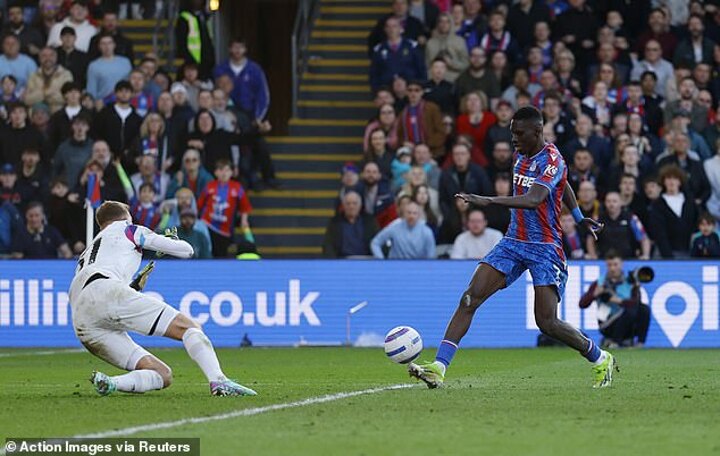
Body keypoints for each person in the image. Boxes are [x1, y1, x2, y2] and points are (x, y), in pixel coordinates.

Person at [408, 106, 614, 390]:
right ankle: (439, 368)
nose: (513, 140)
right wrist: (579, 217)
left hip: (545, 248)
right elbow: (563, 184)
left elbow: (535, 198)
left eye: (519, 134)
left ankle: (600, 357)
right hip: (512, 242)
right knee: (470, 298)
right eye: (511, 133)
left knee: (547, 322)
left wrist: (489, 201)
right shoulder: (521, 155)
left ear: (537, 132)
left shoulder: (552, 160)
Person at [70, 200, 255, 396]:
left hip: (82, 319)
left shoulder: (89, 251)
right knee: (189, 327)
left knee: (162, 374)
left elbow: (94, 295)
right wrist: (172, 241)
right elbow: (187, 251)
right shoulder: (128, 229)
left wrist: (130, 288)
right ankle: (219, 381)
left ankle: (111, 382)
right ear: (125, 216)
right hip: (107, 291)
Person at [579, 251, 651, 348]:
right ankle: (615, 342)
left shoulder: (630, 282)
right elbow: (582, 304)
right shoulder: (600, 283)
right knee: (629, 311)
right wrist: (594, 294)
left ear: (622, 264)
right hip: (607, 324)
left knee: (644, 309)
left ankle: (640, 343)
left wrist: (616, 300)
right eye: (609, 265)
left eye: (615, 265)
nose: (612, 268)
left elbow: (636, 303)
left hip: (628, 324)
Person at [197, 159, 252, 258]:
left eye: (227, 170)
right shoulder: (209, 186)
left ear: (232, 172)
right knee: (206, 253)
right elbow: (199, 206)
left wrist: (244, 220)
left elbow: (245, 206)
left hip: (224, 230)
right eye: (221, 170)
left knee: (220, 256)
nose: (224, 173)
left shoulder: (237, 187)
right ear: (216, 172)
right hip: (207, 225)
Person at [369, 17, 427, 92]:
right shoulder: (379, 49)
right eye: (388, 26)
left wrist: (420, 87)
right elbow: (374, 74)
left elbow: (421, 69)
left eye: (394, 26)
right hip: (387, 91)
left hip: (410, 90)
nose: (391, 29)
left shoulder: (412, 46)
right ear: (385, 29)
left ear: (401, 29)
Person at [588, 192, 651, 260]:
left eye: (614, 201)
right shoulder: (599, 219)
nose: (611, 204)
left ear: (621, 202)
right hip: (605, 260)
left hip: (629, 259)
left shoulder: (631, 218)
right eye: (608, 201)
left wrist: (646, 255)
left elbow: (643, 238)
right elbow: (590, 238)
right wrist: (592, 255)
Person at [396, 80, 445, 157]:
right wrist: (404, 143)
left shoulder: (432, 108)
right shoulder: (403, 112)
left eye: (417, 90)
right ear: (406, 92)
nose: (413, 93)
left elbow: (441, 132)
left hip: (431, 152)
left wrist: (424, 145)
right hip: (410, 152)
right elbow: (399, 135)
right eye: (410, 90)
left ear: (422, 92)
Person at [370, 200, 435, 259]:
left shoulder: (427, 232)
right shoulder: (395, 226)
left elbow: (431, 256)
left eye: (414, 213)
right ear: (404, 214)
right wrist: (381, 261)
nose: (411, 216)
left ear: (419, 215)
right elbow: (375, 242)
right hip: (395, 268)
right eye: (409, 213)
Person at [322, 191, 379, 258]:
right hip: (342, 261)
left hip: (367, 261)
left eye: (355, 203)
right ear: (343, 206)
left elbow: (378, 242)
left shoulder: (370, 221)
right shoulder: (334, 222)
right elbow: (328, 245)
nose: (351, 206)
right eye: (348, 204)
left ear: (360, 205)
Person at [23, 46, 73, 114]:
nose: (48, 58)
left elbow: (67, 98)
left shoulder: (66, 75)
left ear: (56, 57)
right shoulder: (33, 76)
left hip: (58, 114)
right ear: (39, 59)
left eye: (51, 55)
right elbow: (27, 99)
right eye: (44, 56)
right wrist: (48, 93)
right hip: (36, 115)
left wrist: (41, 95)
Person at [86, 34, 132, 104]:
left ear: (114, 45)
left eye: (109, 43)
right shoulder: (93, 66)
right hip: (103, 103)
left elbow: (130, 83)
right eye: (103, 44)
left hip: (124, 102)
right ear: (99, 46)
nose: (107, 46)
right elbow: (91, 89)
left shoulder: (125, 62)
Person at [175, 0, 215, 81]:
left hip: (206, 62)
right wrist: (189, 60)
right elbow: (181, 43)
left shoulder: (204, 17)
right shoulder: (184, 18)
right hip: (192, 62)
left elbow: (208, 40)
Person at [424, 12, 468, 82]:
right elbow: (426, 66)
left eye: (447, 22)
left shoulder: (459, 41)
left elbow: (466, 65)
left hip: (454, 80)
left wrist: (452, 63)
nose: (444, 24)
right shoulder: (430, 43)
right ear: (437, 24)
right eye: (441, 21)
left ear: (451, 24)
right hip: (434, 81)